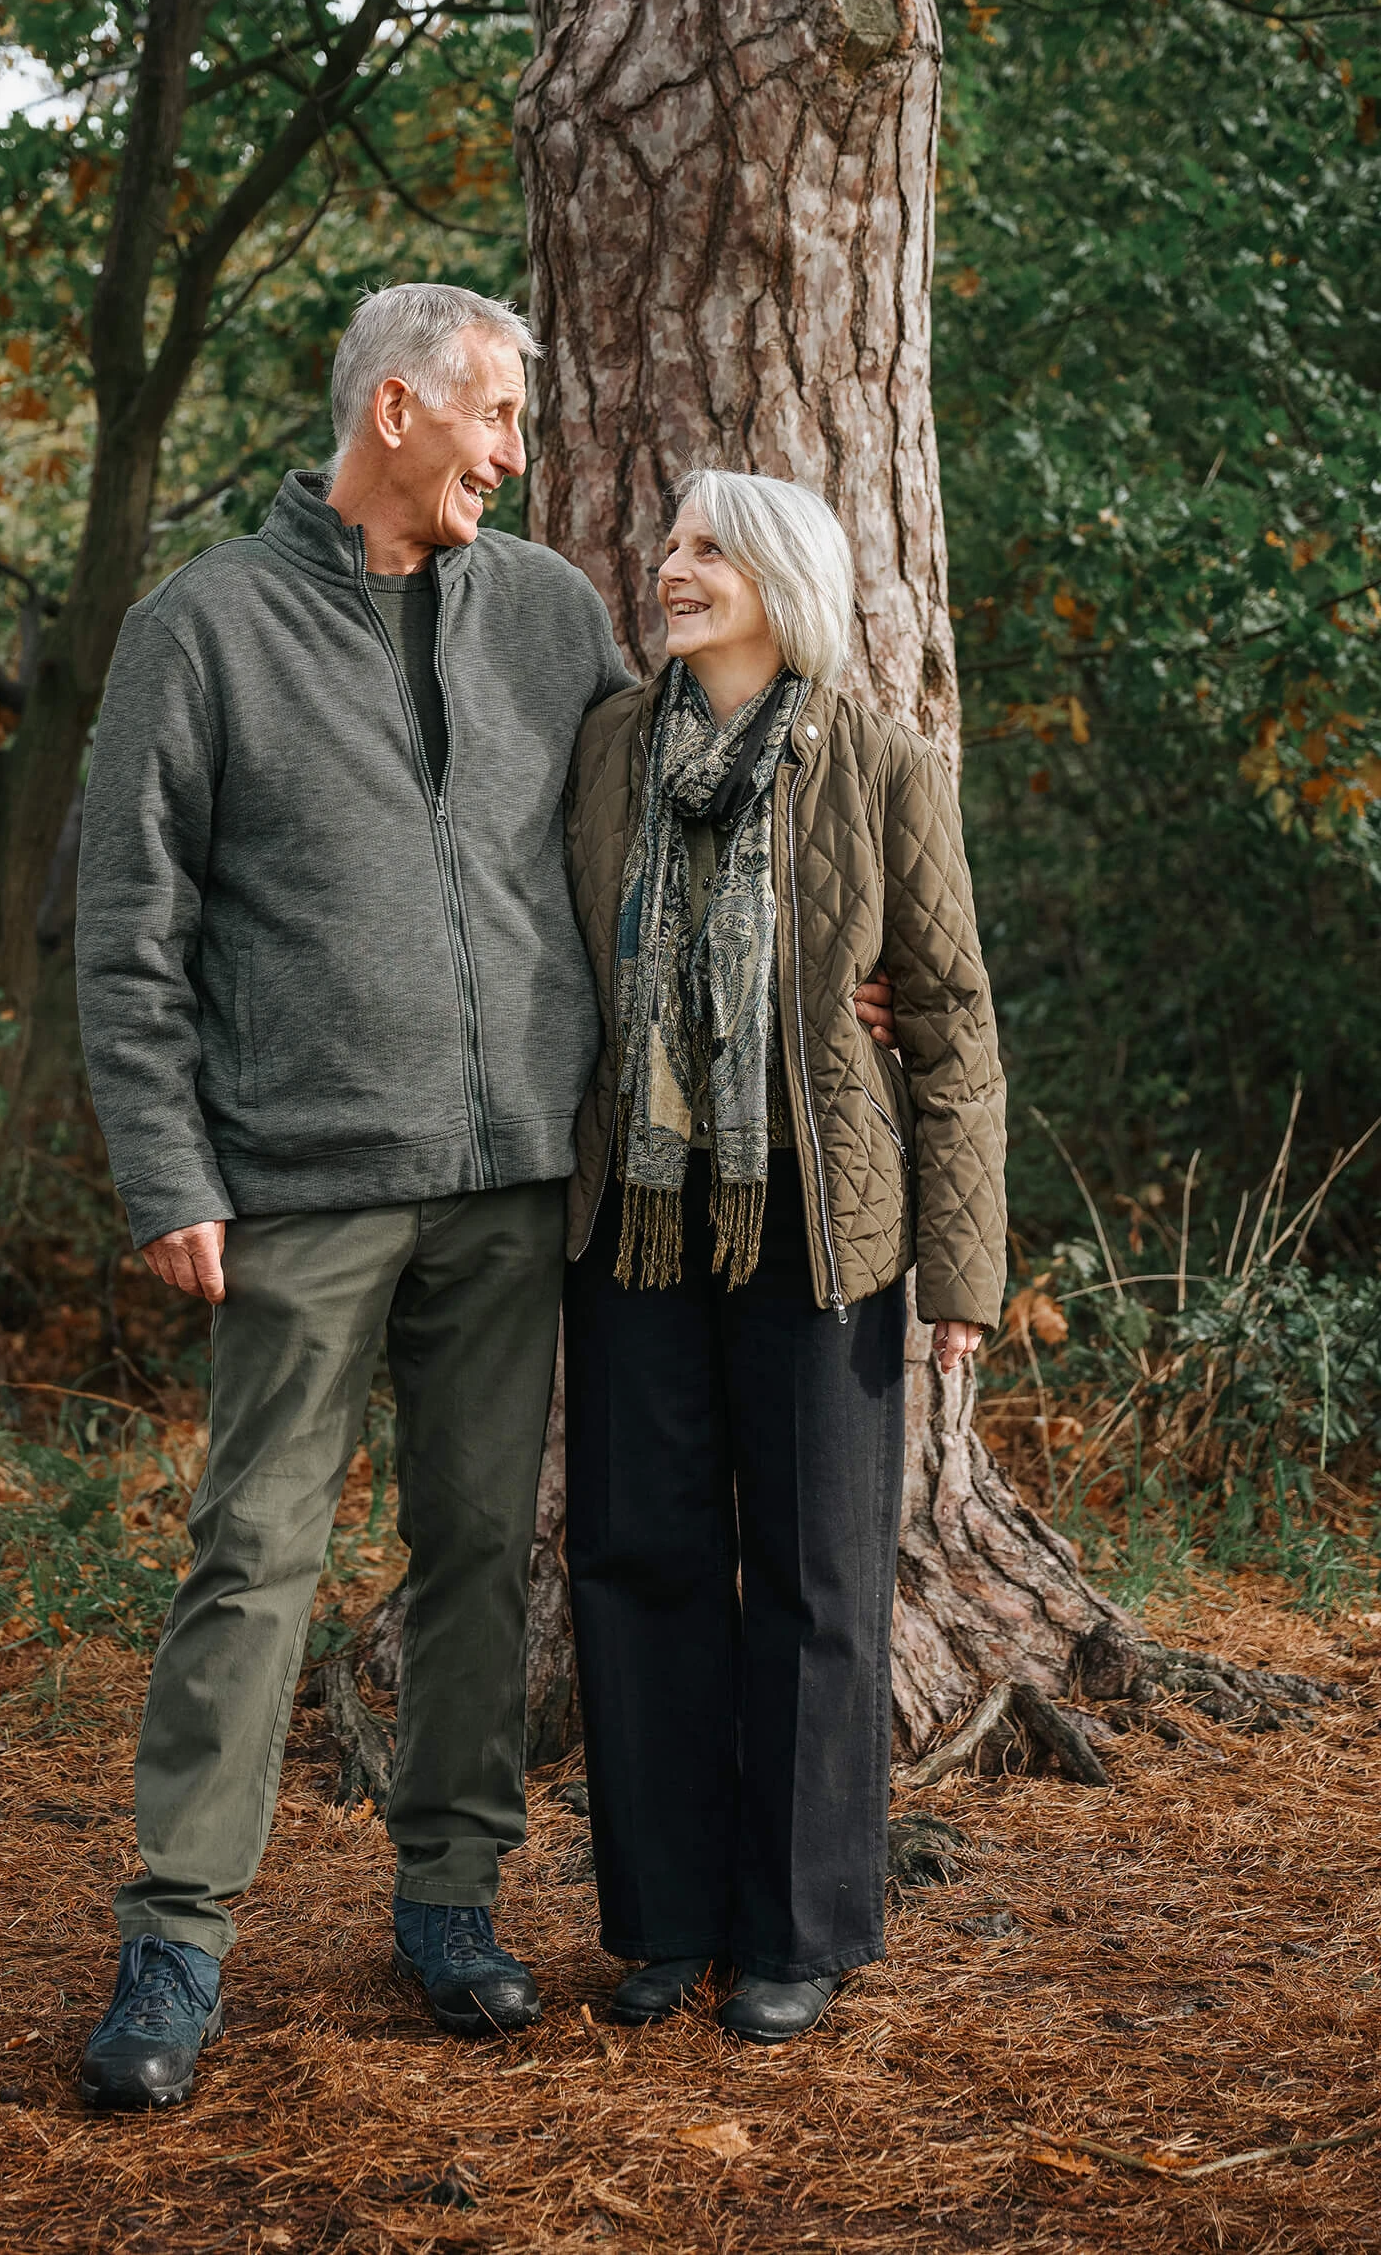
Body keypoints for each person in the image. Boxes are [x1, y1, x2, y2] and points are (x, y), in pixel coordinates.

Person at [71, 282, 902, 2106]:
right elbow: (130, 935)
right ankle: (174, 1942)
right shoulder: (198, 629)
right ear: (396, 412)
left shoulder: (542, 617)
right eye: (501, 421)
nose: (521, 460)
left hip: (530, 1180)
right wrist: (166, 1166)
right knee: (255, 1552)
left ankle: (448, 1899)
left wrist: (840, 964)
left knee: (472, 1557)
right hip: (299, 1182)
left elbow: (675, 811)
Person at [561, 468, 1007, 2045]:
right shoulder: (610, 744)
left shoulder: (883, 765)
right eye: (671, 544)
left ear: (777, 575)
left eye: (704, 548)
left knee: (820, 1579)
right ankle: (665, 1922)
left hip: (828, 1228)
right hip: (637, 1217)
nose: (669, 568)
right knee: (636, 1559)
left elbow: (949, 1021)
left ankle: (801, 1932)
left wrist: (963, 1277)